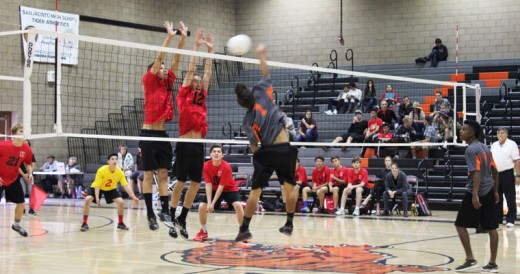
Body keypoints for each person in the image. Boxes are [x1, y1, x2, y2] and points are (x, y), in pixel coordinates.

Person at [234, 44, 298, 242]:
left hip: (267, 150)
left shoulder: (247, 121)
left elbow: (255, 147)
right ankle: (289, 224)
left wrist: (261, 157)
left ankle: (244, 228)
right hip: (285, 147)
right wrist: (261, 55)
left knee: (256, 191)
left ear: (241, 103)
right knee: (288, 188)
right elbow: (266, 71)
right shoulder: (261, 91)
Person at [166, 28, 214, 240]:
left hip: (198, 144)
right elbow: (191, 70)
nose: (196, 80)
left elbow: (208, 74)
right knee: (181, 182)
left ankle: (183, 217)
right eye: (193, 79)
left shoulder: (202, 93)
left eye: (197, 80)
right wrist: (195, 47)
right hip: (185, 143)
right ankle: (170, 214)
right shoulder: (184, 94)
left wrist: (210, 51)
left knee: (195, 183)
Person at [139, 21, 187, 231]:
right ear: (152, 71)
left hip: (162, 134)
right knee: (148, 174)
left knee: (164, 174)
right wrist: (169, 36)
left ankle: (164, 210)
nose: (164, 68)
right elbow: (161, 58)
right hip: (148, 133)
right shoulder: (149, 81)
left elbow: (175, 59)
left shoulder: (167, 82)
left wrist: (183, 38)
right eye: (160, 67)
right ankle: (150, 212)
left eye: (164, 68)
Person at [454, 120, 499, 272]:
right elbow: (495, 170)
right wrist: (496, 191)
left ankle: (470, 259)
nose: (461, 132)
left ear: (472, 133)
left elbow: (477, 172)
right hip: (489, 190)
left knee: (460, 225)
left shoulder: (471, 150)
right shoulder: (485, 148)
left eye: (464, 129)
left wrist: (474, 195)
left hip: (477, 192)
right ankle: (492, 263)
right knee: (492, 228)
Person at [193, 145, 244, 242]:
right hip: (213, 189)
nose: (216, 153)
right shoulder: (206, 166)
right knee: (202, 207)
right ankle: (203, 231)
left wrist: (212, 204)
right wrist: (208, 203)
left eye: (219, 151)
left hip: (229, 188)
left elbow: (221, 187)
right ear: (210, 154)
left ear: (222, 155)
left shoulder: (226, 166)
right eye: (214, 151)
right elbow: (208, 185)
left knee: (238, 205)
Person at [80, 153, 139, 232]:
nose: (114, 160)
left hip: (111, 188)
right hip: (98, 187)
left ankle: (120, 223)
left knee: (121, 203)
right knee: (87, 200)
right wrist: (97, 198)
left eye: (116, 159)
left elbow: (126, 186)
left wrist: (134, 197)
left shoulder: (120, 172)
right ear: (108, 161)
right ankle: (84, 223)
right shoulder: (101, 170)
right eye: (112, 159)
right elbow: (97, 185)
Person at [0, 123, 34, 237]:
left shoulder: (27, 149)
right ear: (14, 134)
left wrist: (30, 173)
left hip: (13, 179)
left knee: (21, 203)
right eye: (20, 131)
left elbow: (28, 162)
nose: (23, 132)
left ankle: (16, 224)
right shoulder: (3, 145)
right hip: (0, 178)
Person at [490, 127, 519, 227]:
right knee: (496, 197)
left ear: (506, 134)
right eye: (498, 133)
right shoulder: (494, 145)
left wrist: (518, 175)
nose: (500, 135)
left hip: (507, 173)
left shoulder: (512, 144)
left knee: (510, 197)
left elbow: (517, 160)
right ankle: (498, 219)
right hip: (496, 174)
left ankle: (511, 219)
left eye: (502, 133)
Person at [18, 140, 36, 214]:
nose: (26, 145)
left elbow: (33, 164)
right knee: (23, 192)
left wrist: (29, 173)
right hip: (20, 175)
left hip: (29, 175)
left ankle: (31, 209)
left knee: (31, 192)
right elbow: (17, 166)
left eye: (27, 144)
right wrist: (23, 175)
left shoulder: (31, 154)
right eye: (24, 144)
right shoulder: (18, 154)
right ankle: (23, 209)